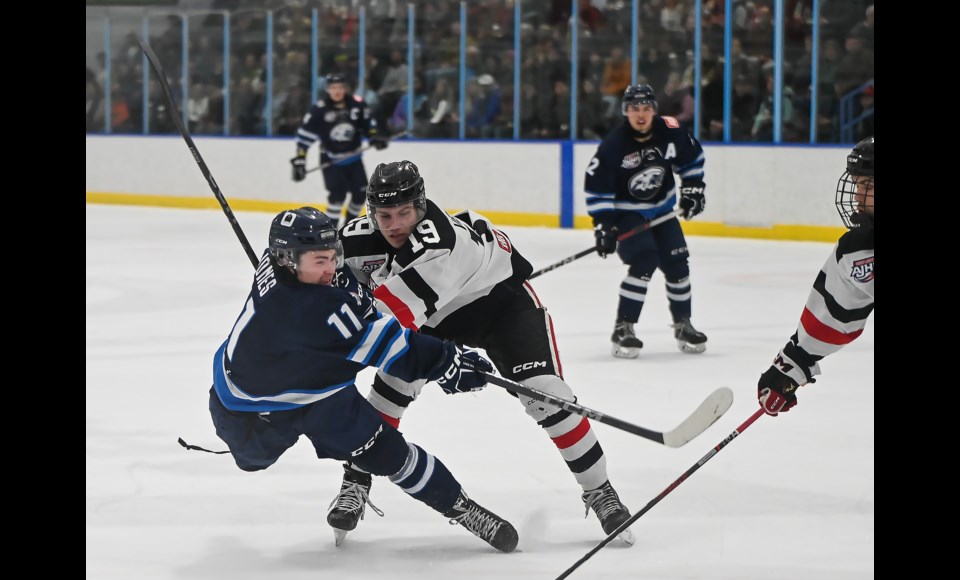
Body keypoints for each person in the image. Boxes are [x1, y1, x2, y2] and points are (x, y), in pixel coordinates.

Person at [333, 161, 635, 544]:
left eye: (404, 213)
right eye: (384, 215)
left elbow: (380, 323)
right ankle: (356, 480)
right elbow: (310, 263)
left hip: (498, 306)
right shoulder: (356, 239)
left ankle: (599, 489)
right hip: (430, 317)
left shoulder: (441, 245)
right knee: (385, 399)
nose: (393, 224)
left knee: (546, 396)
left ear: (421, 206)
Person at [208, 206, 519, 553]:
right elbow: (391, 348)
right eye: (319, 262)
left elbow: (361, 314)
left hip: (318, 389)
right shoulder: (312, 311)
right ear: (287, 261)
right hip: (250, 405)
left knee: (387, 453)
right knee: (252, 460)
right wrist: (447, 362)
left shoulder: (282, 264)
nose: (331, 269)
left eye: (332, 257)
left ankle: (462, 507)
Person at [585, 83, 709, 359]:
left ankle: (683, 325)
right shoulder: (613, 145)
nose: (640, 115)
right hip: (626, 214)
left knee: (678, 263)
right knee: (644, 260)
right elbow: (597, 187)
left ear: (654, 110)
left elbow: (692, 159)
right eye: (634, 109)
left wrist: (693, 189)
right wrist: (603, 225)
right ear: (625, 112)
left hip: (662, 211)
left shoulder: (671, 130)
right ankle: (623, 327)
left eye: (646, 108)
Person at [757, 137, 874, 416]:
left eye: (867, 186)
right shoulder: (857, 250)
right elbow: (836, 315)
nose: (857, 197)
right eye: (857, 185)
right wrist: (791, 365)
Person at [290, 73, 390, 228]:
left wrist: (375, 137)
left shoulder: (357, 105)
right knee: (337, 197)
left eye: (340, 87)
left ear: (345, 88)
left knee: (360, 195)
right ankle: (331, 231)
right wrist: (300, 160)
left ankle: (347, 226)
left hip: (354, 159)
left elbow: (369, 126)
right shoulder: (319, 110)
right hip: (331, 160)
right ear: (328, 89)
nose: (337, 91)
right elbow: (304, 138)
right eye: (333, 88)